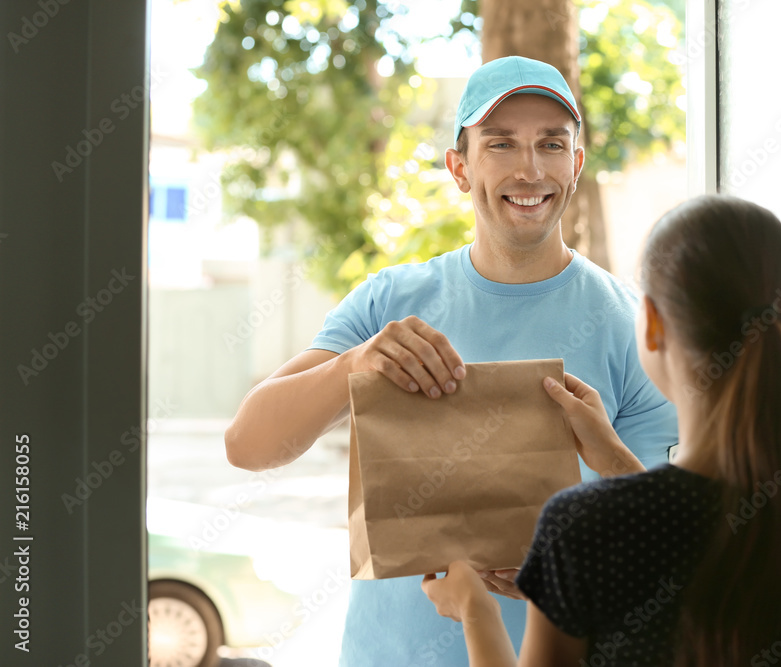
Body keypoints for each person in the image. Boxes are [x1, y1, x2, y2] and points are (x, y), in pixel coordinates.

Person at [224, 55, 679, 666]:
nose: (529, 168)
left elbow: (663, 548)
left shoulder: (632, 329)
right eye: (500, 144)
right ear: (460, 168)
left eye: (551, 143)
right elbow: (249, 445)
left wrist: (564, 580)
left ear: (575, 164)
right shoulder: (389, 301)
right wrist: (352, 365)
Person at [422, 194, 781, 666]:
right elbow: (702, 539)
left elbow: (666, 534)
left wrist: (475, 609)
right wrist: (615, 461)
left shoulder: (587, 527)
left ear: (654, 325)